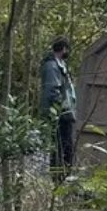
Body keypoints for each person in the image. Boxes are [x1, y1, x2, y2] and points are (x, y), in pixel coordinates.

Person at [39, 37, 77, 177]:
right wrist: (61, 109)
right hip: (60, 113)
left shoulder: (59, 64)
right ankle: (59, 176)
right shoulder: (52, 66)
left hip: (65, 111)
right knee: (61, 145)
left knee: (66, 145)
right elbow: (52, 91)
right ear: (64, 49)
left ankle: (64, 174)